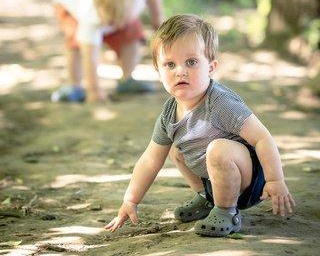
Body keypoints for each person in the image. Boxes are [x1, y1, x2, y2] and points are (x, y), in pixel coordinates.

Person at [105, 14, 295, 237]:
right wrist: (130, 199)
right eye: (170, 64)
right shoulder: (169, 113)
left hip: (248, 181)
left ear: (211, 67)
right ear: (158, 71)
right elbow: (150, 159)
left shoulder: (220, 102)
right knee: (175, 148)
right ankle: (208, 198)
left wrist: (275, 180)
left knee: (217, 149)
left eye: (192, 62)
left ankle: (227, 211)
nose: (180, 71)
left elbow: (262, 137)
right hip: (212, 179)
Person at [51, 0, 164, 103]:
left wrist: (158, 21)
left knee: (132, 34)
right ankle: (75, 87)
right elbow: (90, 54)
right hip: (69, 8)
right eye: (111, 19)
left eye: (119, 18)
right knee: (76, 45)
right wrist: (95, 91)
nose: (115, 25)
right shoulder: (90, 11)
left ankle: (127, 79)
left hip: (115, 11)